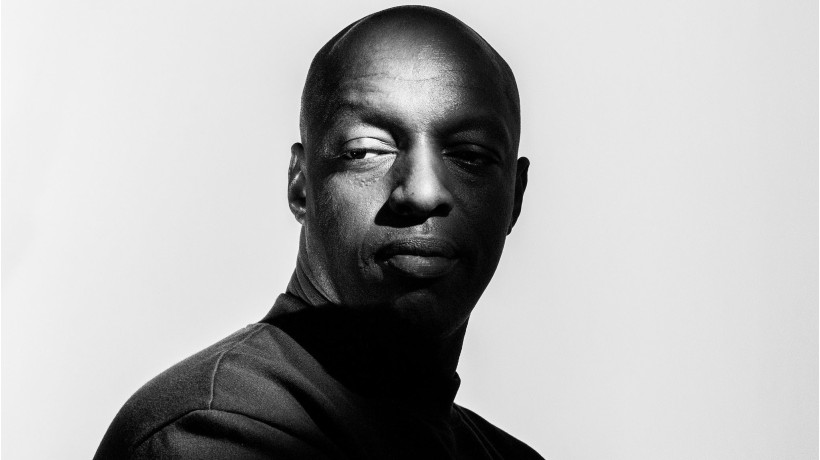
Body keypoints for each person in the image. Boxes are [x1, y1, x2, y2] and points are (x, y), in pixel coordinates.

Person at [94, 5, 541, 459]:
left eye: (472, 155)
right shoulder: (216, 432)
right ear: (301, 185)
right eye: (366, 150)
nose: (423, 192)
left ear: (515, 197)